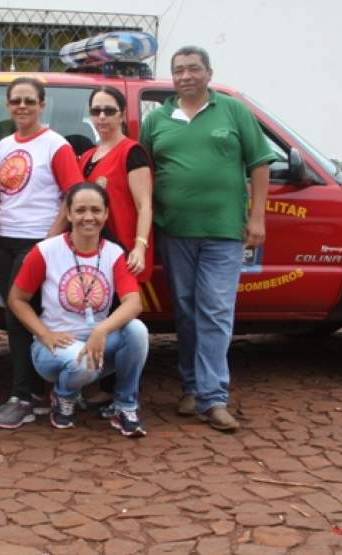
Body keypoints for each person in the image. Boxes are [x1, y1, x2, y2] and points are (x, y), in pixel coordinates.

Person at [140, 46, 275, 432]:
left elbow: (259, 164)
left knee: (215, 311)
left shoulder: (232, 110)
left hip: (224, 232)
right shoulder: (156, 120)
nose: (186, 76)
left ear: (208, 73)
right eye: (179, 70)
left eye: (193, 69)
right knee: (186, 312)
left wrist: (257, 217)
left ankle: (213, 398)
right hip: (174, 232)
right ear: (172, 77)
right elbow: (143, 172)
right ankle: (192, 387)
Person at [0, 77, 84, 430]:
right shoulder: (3, 146)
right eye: (16, 101)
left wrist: (45, 247)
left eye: (29, 100)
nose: (22, 106)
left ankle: (26, 396)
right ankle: (32, 394)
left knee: (29, 318)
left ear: (42, 104)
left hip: (38, 242)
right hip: (7, 242)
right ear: (8, 106)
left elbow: (73, 199)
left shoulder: (56, 145)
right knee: (17, 320)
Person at [8, 182, 149, 437]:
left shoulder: (115, 253)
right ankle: (63, 395)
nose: (88, 217)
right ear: (69, 214)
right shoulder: (46, 251)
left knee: (137, 331)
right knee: (82, 363)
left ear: (106, 214)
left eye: (96, 210)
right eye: (80, 210)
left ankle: (125, 406)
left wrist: (101, 330)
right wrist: (44, 334)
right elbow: (16, 299)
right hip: (54, 347)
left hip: (97, 344)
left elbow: (133, 302)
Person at [78, 86, 153, 414]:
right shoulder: (87, 157)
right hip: (94, 255)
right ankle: (102, 388)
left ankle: (122, 394)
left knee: (122, 325)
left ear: (122, 114)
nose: (102, 117)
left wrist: (139, 246)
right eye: (96, 111)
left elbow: (145, 204)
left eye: (109, 110)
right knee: (99, 319)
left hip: (122, 253)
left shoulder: (132, 152)